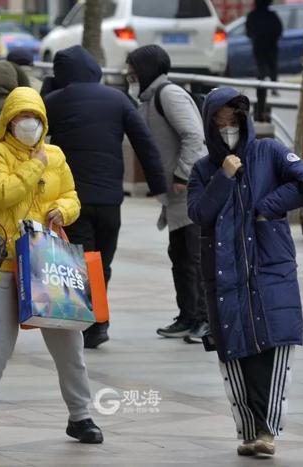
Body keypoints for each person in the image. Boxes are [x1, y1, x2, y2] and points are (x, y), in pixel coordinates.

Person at [0, 87, 103, 450]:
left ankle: (80, 416)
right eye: (22, 118)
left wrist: (65, 210)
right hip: (5, 264)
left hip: (47, 264)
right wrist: (34, 165)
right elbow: (2, 193)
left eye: (36, 118)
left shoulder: (56, 155)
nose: (29, 124)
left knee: (69, 347)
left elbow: (71, 194)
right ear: (8, 121)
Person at [187, 87, 303, 457]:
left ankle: (267, 431)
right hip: (225, 274)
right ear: (210, 124)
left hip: (269, 267)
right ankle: (249, 431)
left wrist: (267, 208)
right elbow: (199, 213)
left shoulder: (269, 152)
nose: (228, 127)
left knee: (271, 349)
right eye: (220, 121)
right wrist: (223, 177)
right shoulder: (203, 169)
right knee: (237, 353)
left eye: (233, 119)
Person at [43, 45, 168, 349]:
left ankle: (93, 322)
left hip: (73, 200)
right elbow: (145, 143)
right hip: (111, 198)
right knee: (102, 261)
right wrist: (159, 186)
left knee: (81, 261)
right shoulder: (117, 99)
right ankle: (96, 319)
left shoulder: (54, 101)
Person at [125, 45, 208, 342]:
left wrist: (182, 174)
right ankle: (188, 316)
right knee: (181, 255)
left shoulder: (168, 94)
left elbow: (194, 134)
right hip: (175, 194)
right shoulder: (146, 99)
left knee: (195, 256)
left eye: (133, 71)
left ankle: (204, 319)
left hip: (191, 189)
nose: (129, 76)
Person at [246, 0, 283, 103]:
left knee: (261, 67)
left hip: (260, 45)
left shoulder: (252, 16)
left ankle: (262, 87)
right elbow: (279, 30)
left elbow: (248, 32)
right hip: (270, 46)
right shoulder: (272, 15)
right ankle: (272, 87)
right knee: (272, 67)